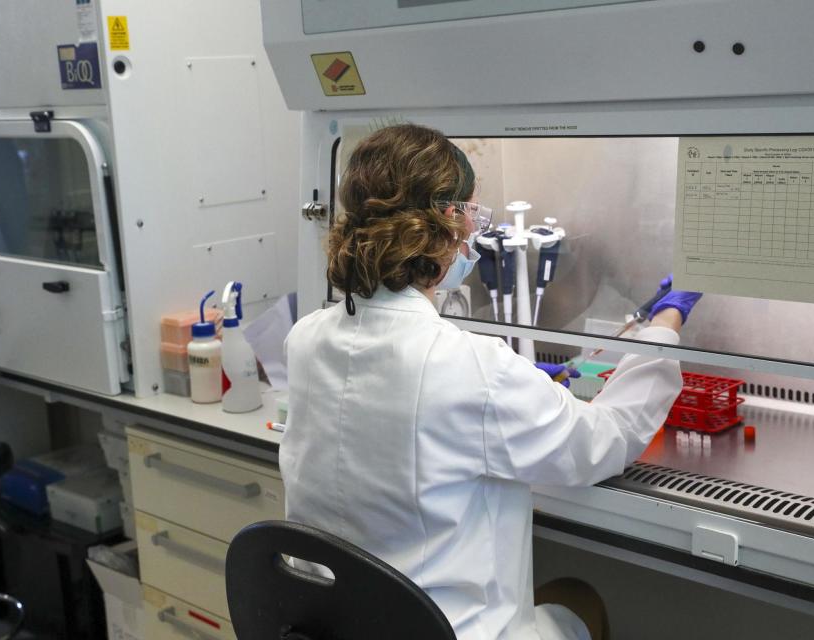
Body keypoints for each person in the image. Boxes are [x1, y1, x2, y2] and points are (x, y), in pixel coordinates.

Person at [280, 124, 701, 640]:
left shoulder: (305, 339)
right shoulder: (468, 367)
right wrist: (662, 331)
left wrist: (517, 390)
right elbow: (600, 442)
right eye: (475, 215)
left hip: (341, 631)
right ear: (448, 225)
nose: (476, 236)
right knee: (579, 599)